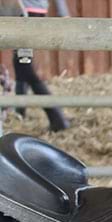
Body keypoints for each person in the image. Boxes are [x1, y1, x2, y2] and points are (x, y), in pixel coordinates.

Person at [6, 0, 71, 132]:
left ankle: (57, 118)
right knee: (21, 63)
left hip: (24, 13)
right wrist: (63, 12)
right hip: (34, 12)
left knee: (25, 67)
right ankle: (20, 113)